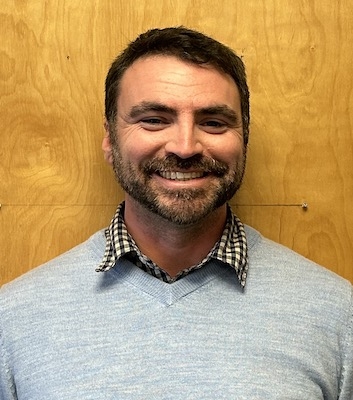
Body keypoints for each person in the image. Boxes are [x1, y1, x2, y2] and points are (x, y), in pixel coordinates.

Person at [0, 27, 352, 400]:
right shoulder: (15, 320)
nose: (185, 147)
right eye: (153, 119)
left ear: (244, 137)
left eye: (213, 122)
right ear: (109, 138)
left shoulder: (337, 315)